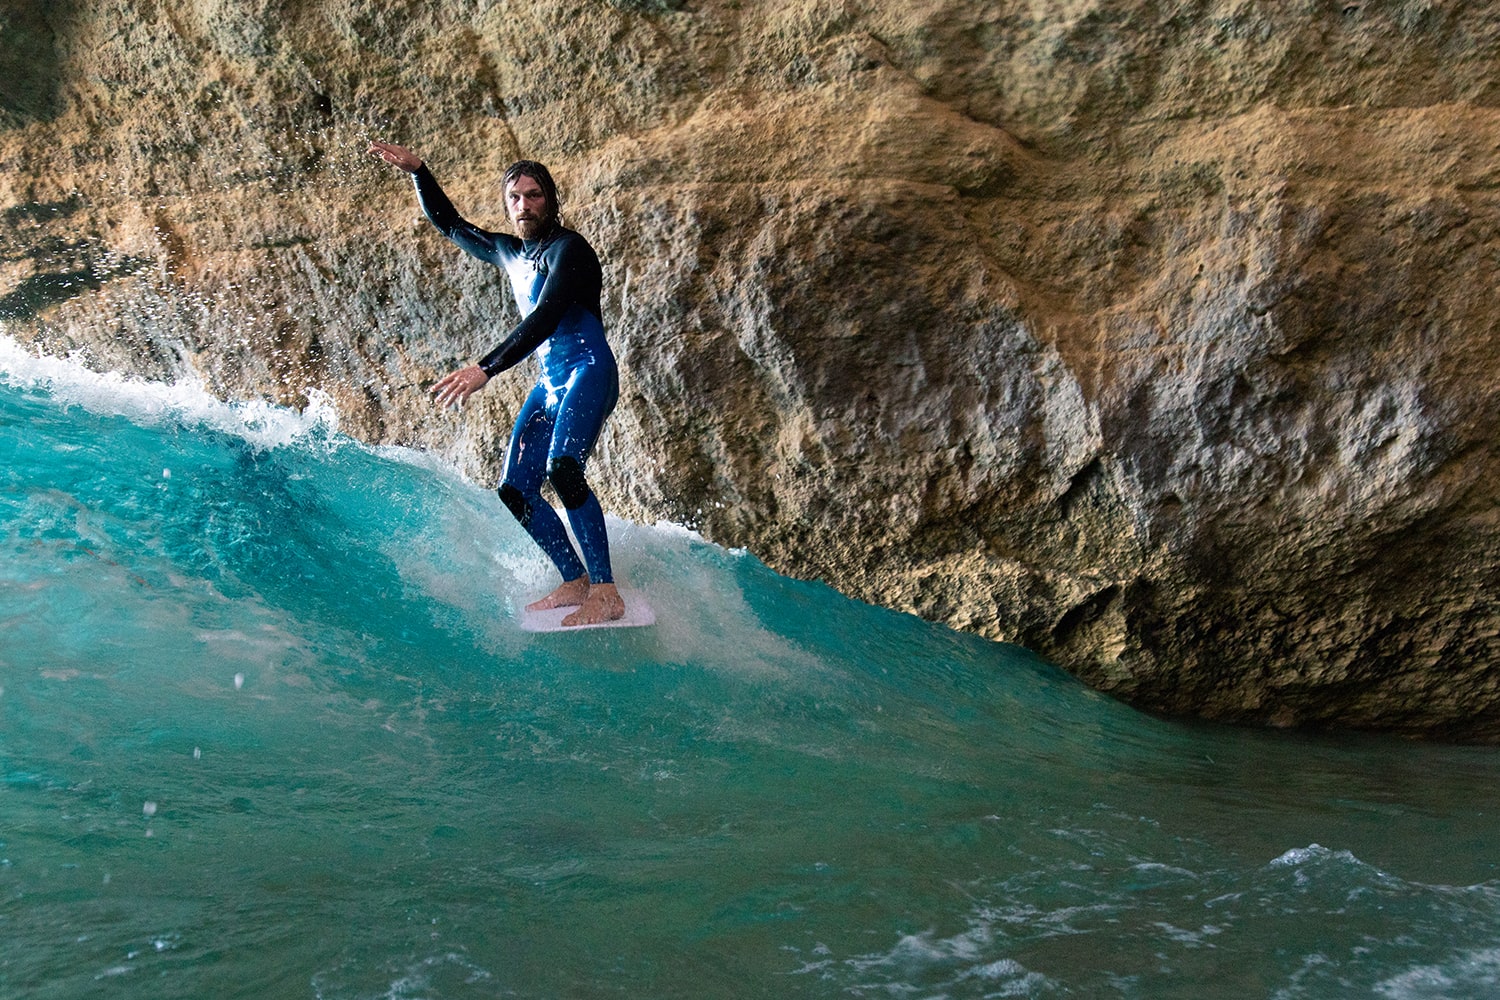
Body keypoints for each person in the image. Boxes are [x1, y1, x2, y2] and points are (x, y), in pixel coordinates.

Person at [368, 140, 625, 626]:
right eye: (515, 197)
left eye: (533, 195)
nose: (523, 205)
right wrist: (420, 171)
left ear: (550, 199)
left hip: (588, 369)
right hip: (550, 382)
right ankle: (575, 580)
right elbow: (451, 225)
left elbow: (547, 318)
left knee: (564, 469)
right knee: (515, 488)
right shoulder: (509, 252)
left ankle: (607, 590)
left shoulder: (569, 250)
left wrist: (484, 368)